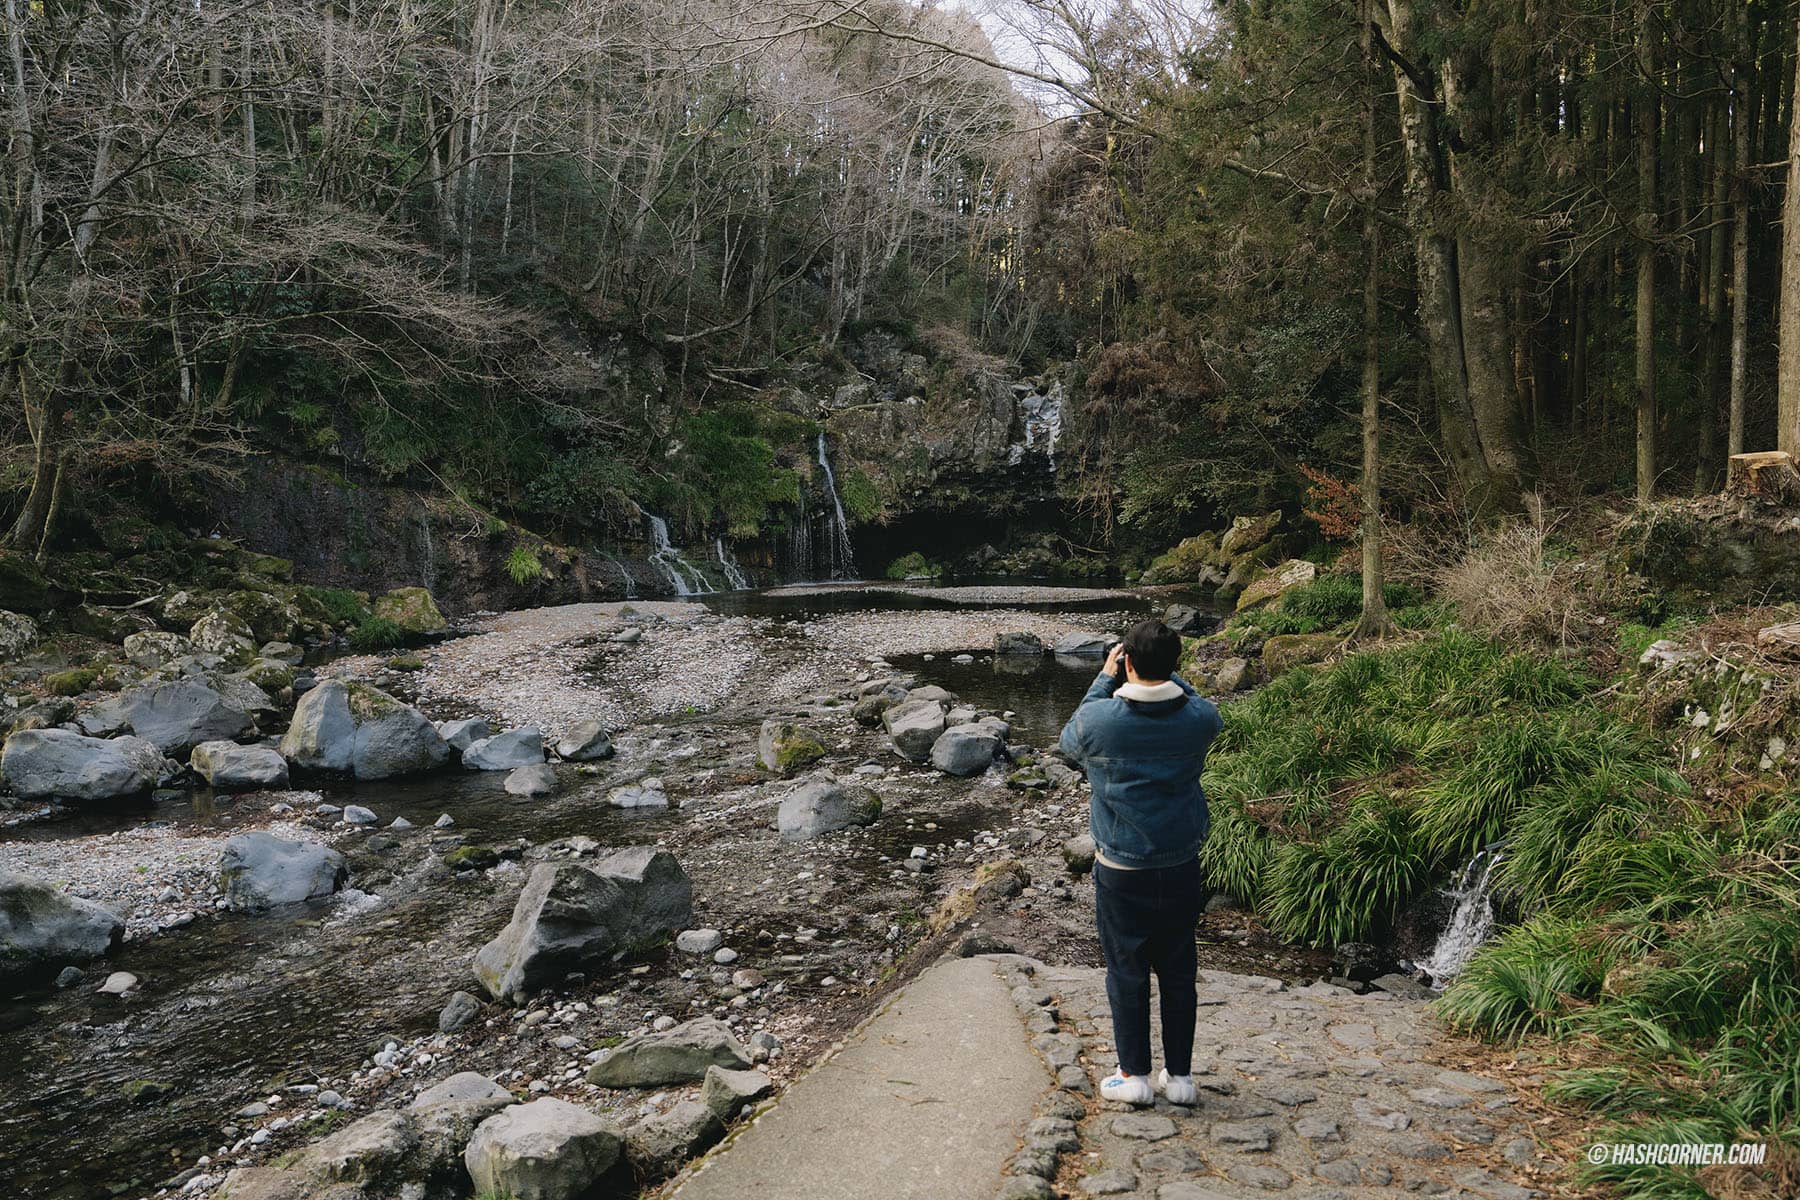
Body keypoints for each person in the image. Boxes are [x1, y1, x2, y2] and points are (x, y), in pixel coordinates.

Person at [1058, 618, 1223, 1107]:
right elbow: (1191, 700)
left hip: (1121, 867)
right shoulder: (1201, 718)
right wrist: (1166, 674)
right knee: (1178, 970)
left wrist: (1109, 677)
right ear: (1175, 666)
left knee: (1126, 968)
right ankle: (1181, 1079)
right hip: (1180, 862)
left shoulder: (1101, 720)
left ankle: (1132, 1075)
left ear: (1126, 661)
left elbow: (1070, 741)